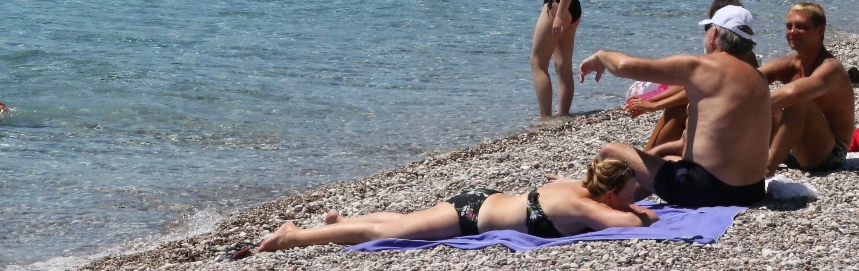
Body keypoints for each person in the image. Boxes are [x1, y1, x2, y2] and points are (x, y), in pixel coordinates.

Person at [240, 156, 658, 255]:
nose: (635, 200)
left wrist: (630, 203)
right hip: (470, 217)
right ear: (608, 195)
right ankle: (292, 239)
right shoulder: (591, 209)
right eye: (629, 194)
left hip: (477, 203)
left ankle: (341, 220)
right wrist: (637, 212)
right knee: (385, 233)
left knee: (404, 222)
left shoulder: (575, 188)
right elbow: (640, 225)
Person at [583, 6, 772, 208]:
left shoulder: (701, 66)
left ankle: (583, 200)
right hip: (752, 192)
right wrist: (661, 150)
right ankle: (618, 201)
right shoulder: (758, 77)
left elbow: (624, 66)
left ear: (714, 34)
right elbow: (724, 140)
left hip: (707, 192)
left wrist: (602, 55)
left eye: (708, 29)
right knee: (667, 158)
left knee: (611, 151)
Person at [624, 0, 753, 152]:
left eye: (710, 28)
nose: (707, 33)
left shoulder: (734, 62)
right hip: (731, 118)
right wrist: (651, 100)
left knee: (678, 111)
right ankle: (647, 156)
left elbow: (692, 90)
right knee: (677, 110)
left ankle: (646, 159)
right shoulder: (740, 56)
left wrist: (654, 105)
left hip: (735, 126)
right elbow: (690, 84)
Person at [762, 3, 854, 175]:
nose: (792, 32)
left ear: (820, 31)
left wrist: (742, 108)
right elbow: (750, 80)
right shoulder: (790, 63)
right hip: (792, 151)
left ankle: (767, 169)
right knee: (755, 91)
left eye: (801, 27)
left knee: (798, 96)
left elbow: (793, 93)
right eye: (789, 26)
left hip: (829, 154)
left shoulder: (831, 67)